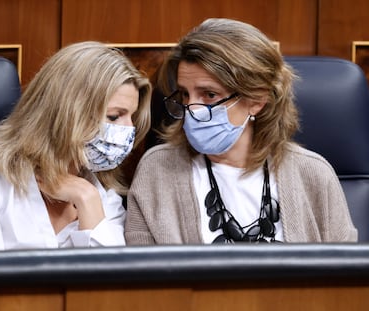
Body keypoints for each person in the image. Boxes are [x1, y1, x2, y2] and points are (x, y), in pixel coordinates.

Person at [125, 18, 357, 244]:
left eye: (209, 95)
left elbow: (346, 277)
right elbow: (142, 279)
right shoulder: (156, 171)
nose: (191, 109)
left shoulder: (313, 174)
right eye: (185, 94)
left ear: (257, 99)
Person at [0, 41, 151, 251]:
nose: (129, 130)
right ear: (67, 113)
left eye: (132, 117)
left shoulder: (104, 197)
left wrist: (87, 199)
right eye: (114, 116)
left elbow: (108, 281)